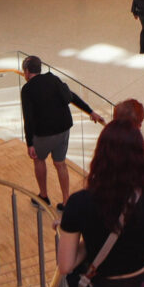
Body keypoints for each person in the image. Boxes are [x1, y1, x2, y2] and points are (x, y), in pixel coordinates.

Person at [57, 121, 144, 287]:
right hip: (141, 285)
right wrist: (139, 250)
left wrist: (89, 245)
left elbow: (65, 265)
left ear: (100, 155)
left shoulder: (78, 202)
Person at [20, 55, 106, 208]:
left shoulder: (27, 90)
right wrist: (90, 111)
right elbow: (72, 96)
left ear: (27, 71)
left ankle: (44, 196)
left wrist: (29, 143)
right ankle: (66, 201)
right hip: (63, 130)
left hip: (44, 134)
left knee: (39, 160)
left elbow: (29, 118)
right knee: (60, 163)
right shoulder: (53, 79)